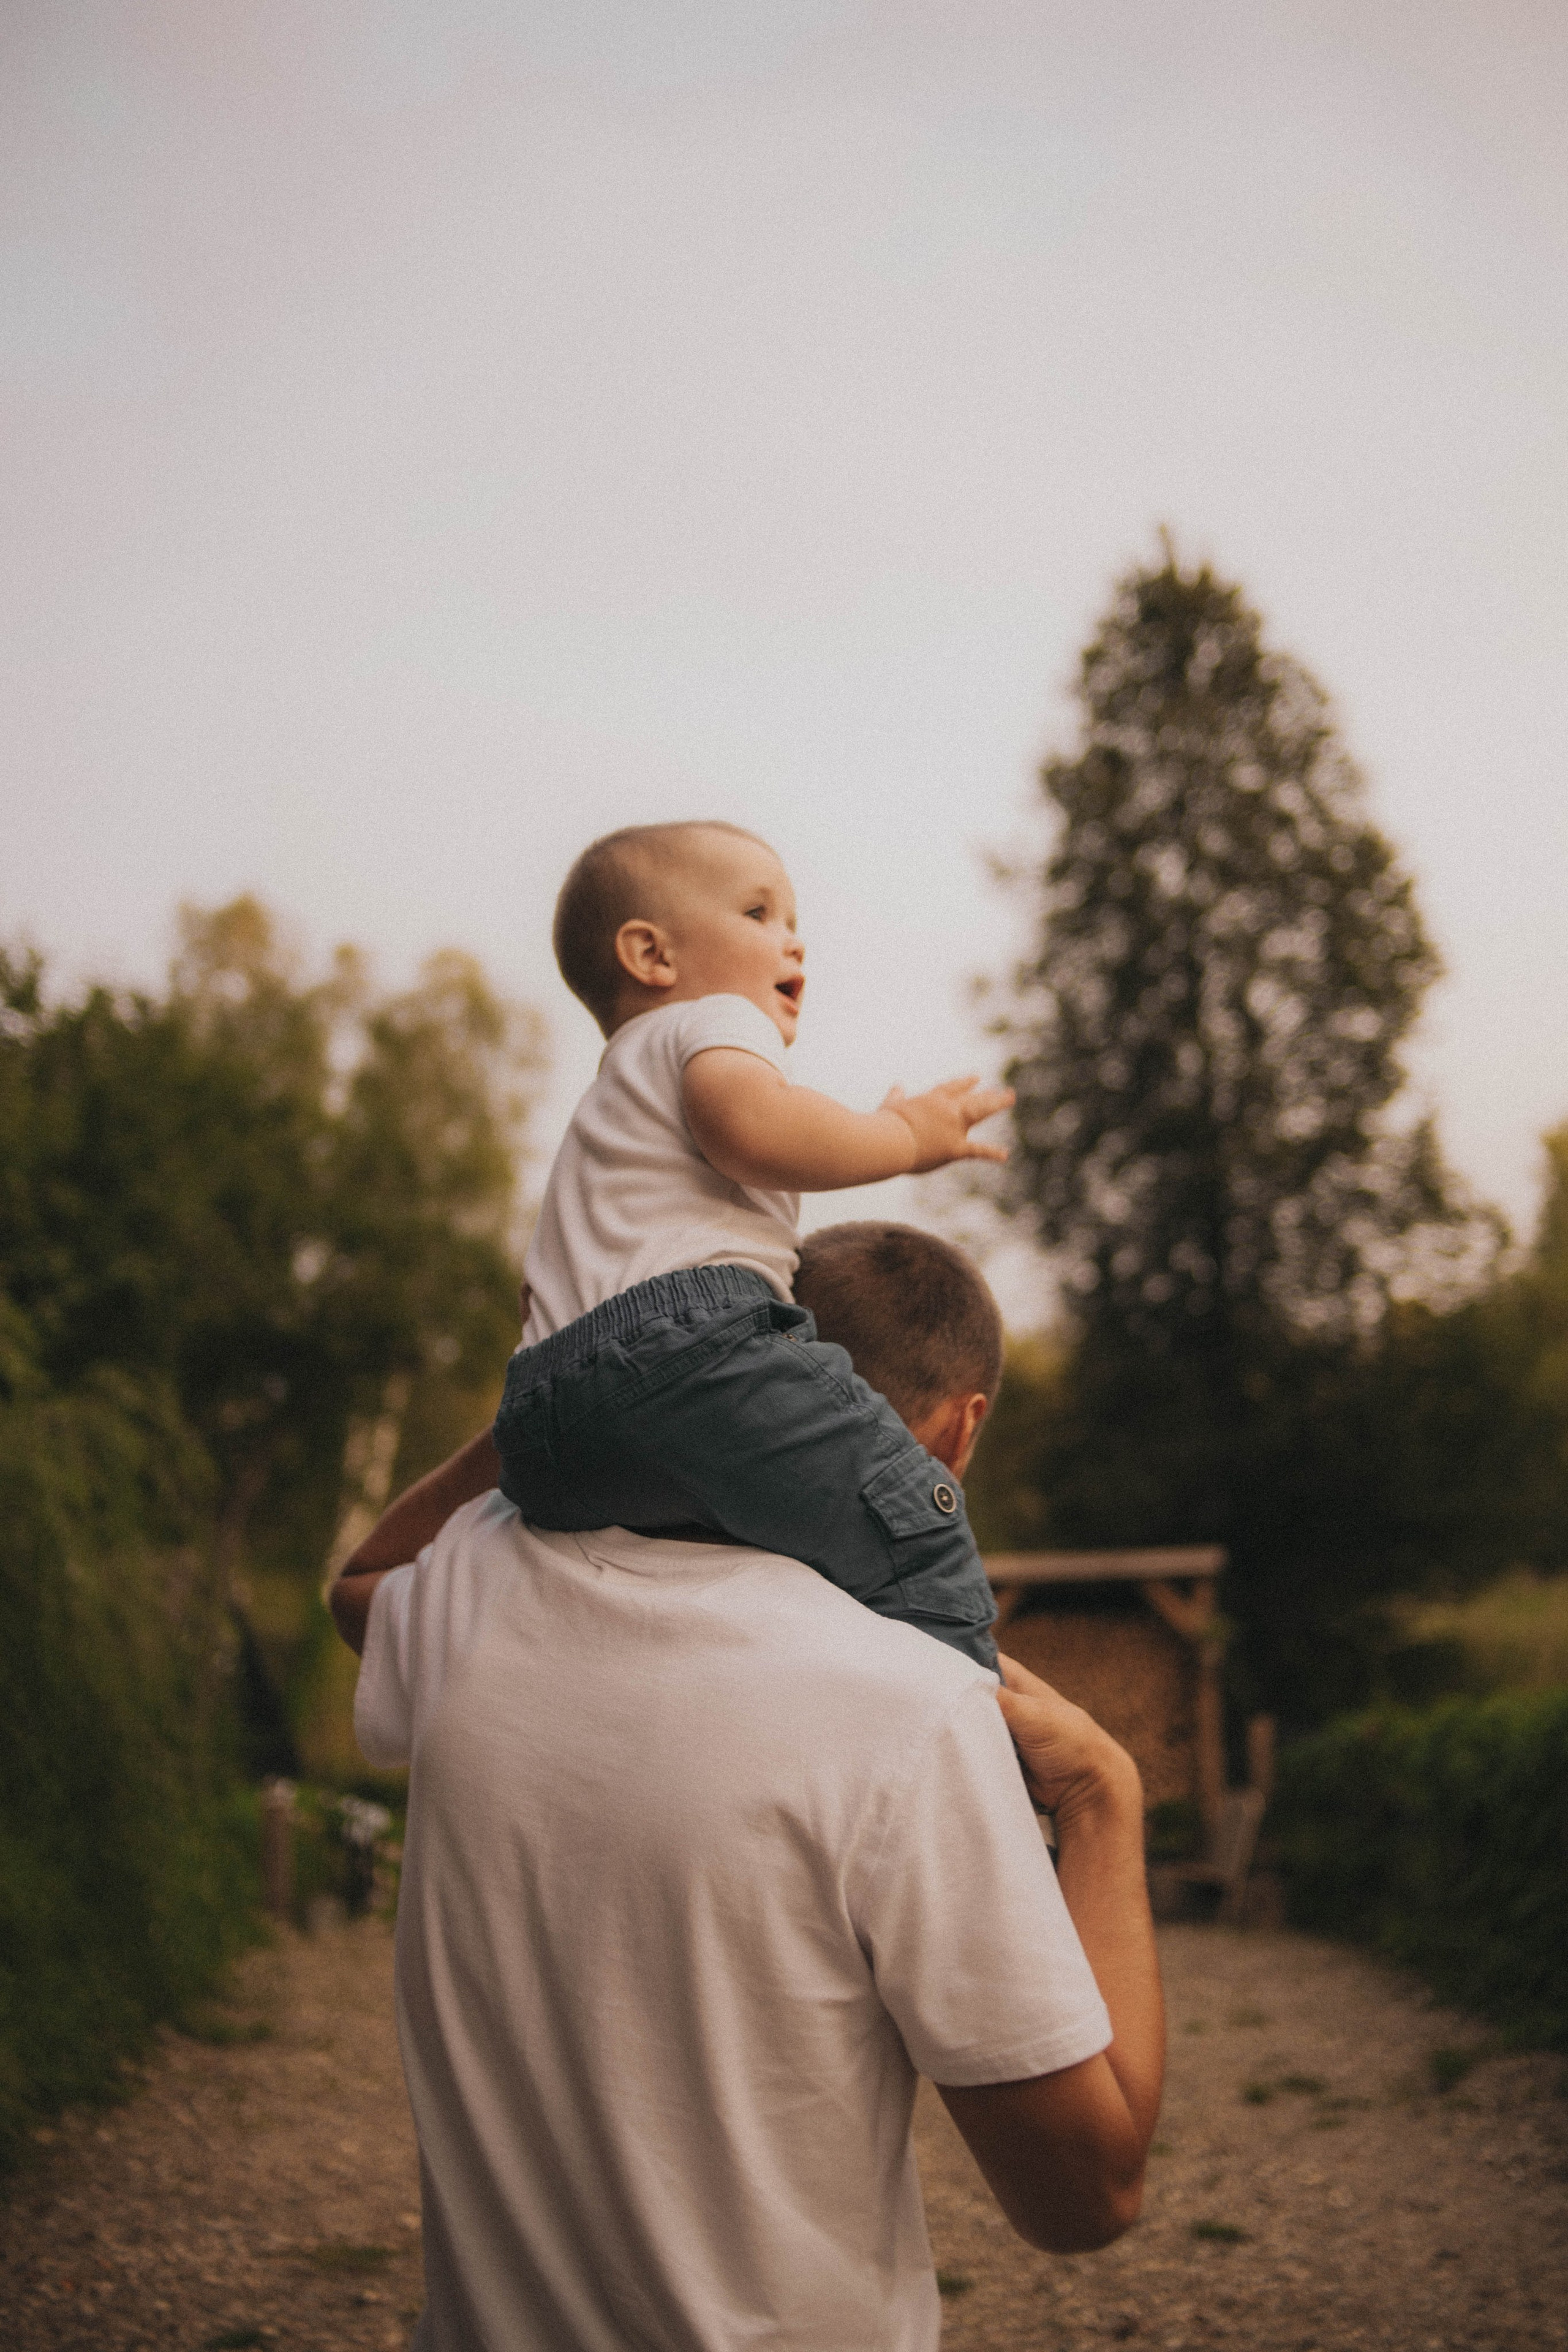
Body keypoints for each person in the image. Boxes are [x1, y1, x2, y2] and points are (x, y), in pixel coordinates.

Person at [331, 1224, 1165, 2352]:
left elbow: (359, 1582)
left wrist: (571, 1391)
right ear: (959, 1430)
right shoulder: (913, 1709)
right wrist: (1108, 1798)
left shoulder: (474, 1593)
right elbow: (1089, 2199)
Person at [490, 820, 1014, 1671]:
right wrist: (905, 1135)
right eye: (760, 912)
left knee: (747, 1546)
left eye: (794, 919)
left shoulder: (601, 1114)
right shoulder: (713, 1021)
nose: (793, 937)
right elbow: (750, 1125)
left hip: (542, 1433)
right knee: (917, 1527)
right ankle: (985, 1751)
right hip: (684, 1353)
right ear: (651, 955)